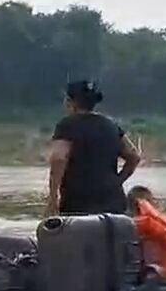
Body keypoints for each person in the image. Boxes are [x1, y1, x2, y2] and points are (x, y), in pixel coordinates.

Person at [46, 80, 140, 217]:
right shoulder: (111, 125)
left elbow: (59, 158)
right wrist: (117, 181)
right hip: (114, 204)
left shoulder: (67, 125)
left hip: (78, 204)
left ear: (70, 102)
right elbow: (133, 156)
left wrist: (53, 198)